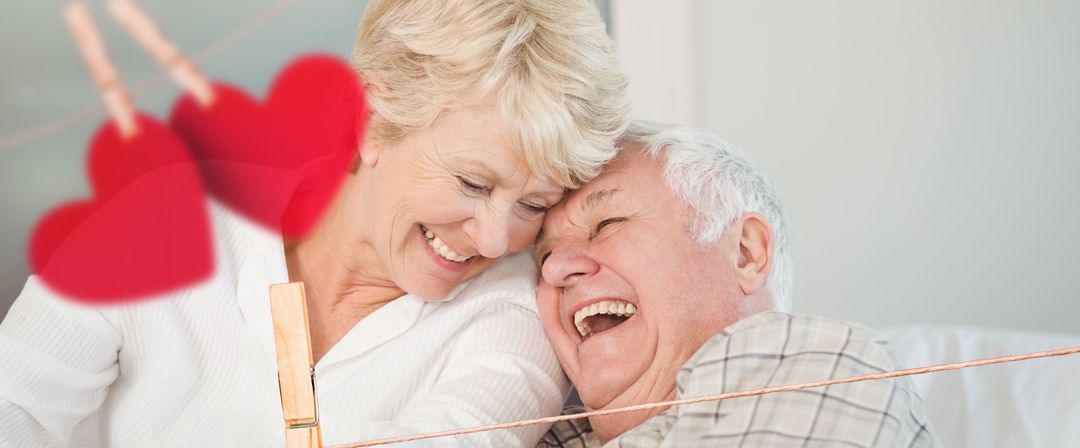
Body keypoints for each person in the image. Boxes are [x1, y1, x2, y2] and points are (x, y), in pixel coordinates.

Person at [0, 0, 629, 446]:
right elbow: (16, 407)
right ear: (371, 124)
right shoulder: (162, 212)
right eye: (472, 183)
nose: (495, 239)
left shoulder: (515, 315)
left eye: (534, 204)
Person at [535, 122, 940, 447]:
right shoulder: (534, 430)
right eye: (544, 257)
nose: (555, 270)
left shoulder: (825, 364)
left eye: (607, 223)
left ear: (746, 252)